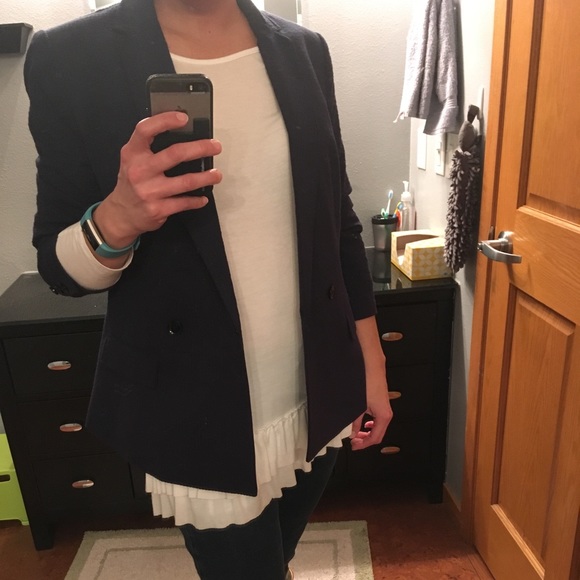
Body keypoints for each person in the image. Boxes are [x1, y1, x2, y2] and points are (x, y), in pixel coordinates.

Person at [24, 0, 393, 577]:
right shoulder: (70, 55)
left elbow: (338, 222)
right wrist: (119, 218)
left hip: (315, 389)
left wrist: (371, 364)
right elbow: (59, 270)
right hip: (197, 408)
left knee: (274, 559)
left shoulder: (303, 49)